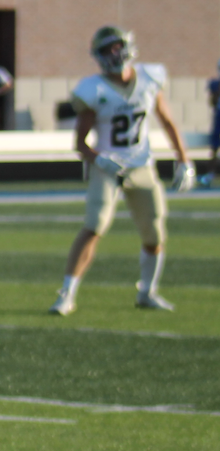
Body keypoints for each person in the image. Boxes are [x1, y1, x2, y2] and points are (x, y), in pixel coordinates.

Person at [51, 27, 193, 316]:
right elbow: (79, 144)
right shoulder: (93, 88)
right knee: (94, 226)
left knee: (155, 232)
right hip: (108, 169)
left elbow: (168, 121)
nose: (114, 54)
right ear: (98, 55)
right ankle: (67, 295)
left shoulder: (150, 78)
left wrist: (184, 160)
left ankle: (147, 292)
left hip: (141, 165)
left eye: (117, 46)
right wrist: (99, 160)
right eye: (107, 49)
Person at [203, 61, 219, 188]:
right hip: (218, 118)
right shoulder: (215, 84)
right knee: (214, 148)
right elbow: (212, 103)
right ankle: (210, 174)